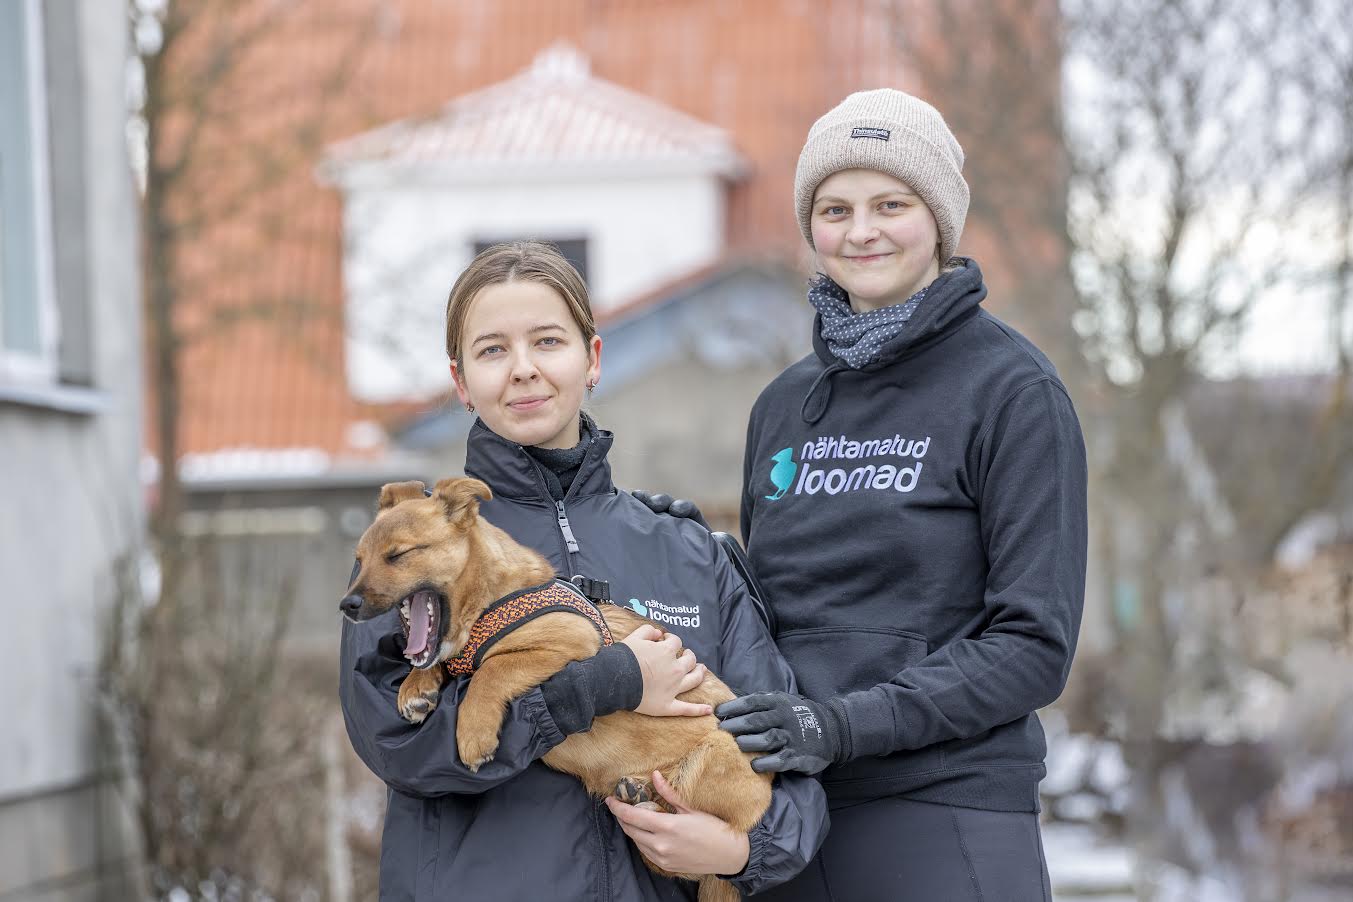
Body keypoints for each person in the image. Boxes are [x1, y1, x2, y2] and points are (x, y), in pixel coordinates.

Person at [645, 89, 1087, 900]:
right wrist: (685, 564)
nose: (860, 231)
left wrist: (839, 725)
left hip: (945, 811)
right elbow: (775, 616)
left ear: (940, 218)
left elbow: (1031, 646)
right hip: (790, 816)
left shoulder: (1011, 391)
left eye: (891, 203)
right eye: (835, 208)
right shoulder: (783, 405)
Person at [339, 241, 827, 900]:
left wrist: (742, 851)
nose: (522, 370)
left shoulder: (688, 552)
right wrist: (605, 683)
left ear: (592, 359)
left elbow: (785, 744)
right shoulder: (411, 552)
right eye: (491, 351)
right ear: (459, 381)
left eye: (547, 341)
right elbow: (402, 743)